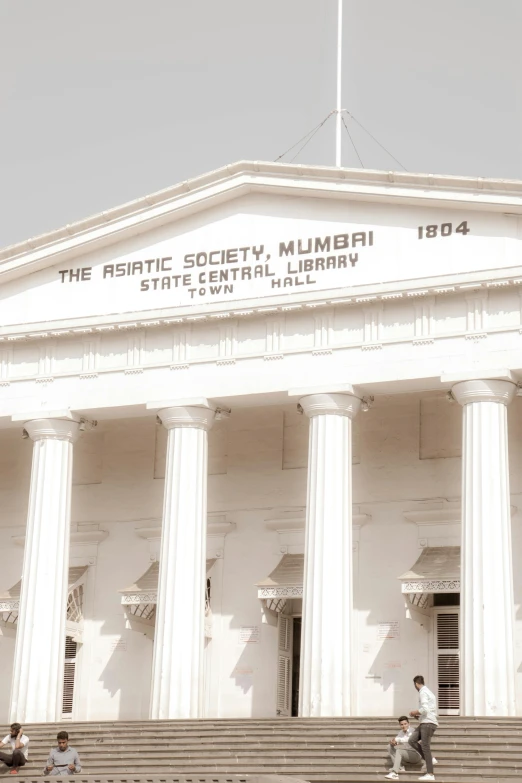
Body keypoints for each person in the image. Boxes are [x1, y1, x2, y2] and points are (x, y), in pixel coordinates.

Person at [408, 675, 439, 781]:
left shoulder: (422, 692)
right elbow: (428, 710)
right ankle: (430, 759)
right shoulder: (429, 692)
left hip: (428, 723)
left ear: (416, 684)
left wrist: (414, 712)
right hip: (426, 722)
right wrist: (419, 716)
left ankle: (430, 774)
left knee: (425, 746)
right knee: (412, 740)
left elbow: (425, 709)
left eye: (414, 685)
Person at [384, 715, 422, 780]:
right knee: (389, 746)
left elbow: (409, 740)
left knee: (399, 751)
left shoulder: (413, 731)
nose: (404, 726)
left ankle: (394, 773)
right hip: (407, 754)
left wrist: (398, 740)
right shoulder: (401, 732)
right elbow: (397, 740)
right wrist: (393, 742)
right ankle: (400, 767)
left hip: (416, 755)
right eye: (401, 724)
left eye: (405, 724)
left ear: (409, 723)